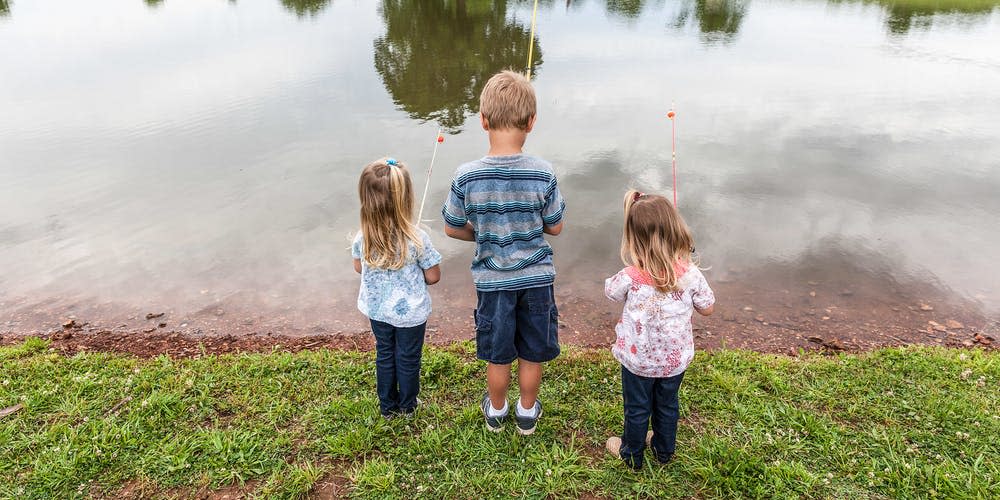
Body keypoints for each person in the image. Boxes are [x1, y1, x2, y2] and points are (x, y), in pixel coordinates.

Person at [442, 70, 565, 435]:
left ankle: (496, 410)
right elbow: (555, 225)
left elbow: (451, 225)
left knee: (498, 353)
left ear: (482, 120)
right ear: (531, 122)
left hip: (492, 282)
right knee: (531, 349)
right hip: (537, 280)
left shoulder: (466, 176)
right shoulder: (544, 172)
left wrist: (482, 233)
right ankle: (527, 412)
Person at [604, 190, 715, 469]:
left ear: (633, 238)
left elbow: (610, 292)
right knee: (667, 405)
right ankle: (663, 451)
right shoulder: (690, 274)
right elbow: (708, 307)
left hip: (637, 361)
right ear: (675, 230)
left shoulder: (630, 277)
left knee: (637, 408)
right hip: (673, 362)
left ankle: (632, 454)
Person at [352, 157, 442, 419]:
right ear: (406, 198)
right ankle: (408, 406)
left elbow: (359, 268)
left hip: (378, 310)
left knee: (385, 353)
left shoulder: (362, 237)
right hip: (410, 314)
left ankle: (388, 408)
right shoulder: (418, 238)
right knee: (408, 357)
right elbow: (433, 276)